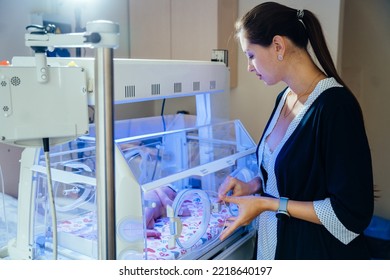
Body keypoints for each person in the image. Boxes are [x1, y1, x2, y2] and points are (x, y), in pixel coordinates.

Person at [218, 2, 374, 259]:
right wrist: (254, 186)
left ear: (278, 46)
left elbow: (351, 212)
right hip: (273, 246)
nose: (249, 67)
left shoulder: (335, 107)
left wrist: (267, 203)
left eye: (251, 55)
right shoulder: (284, 98)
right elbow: (294, 177)